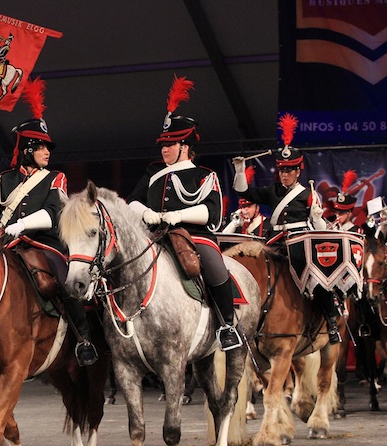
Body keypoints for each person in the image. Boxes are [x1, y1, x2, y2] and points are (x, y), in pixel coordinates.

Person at [0, 78, 97, 366]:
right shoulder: (4, 180)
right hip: (7, 247)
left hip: (43, 245)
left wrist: (21, 226)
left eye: (48, 148)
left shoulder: (54, 177)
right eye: (42, 147)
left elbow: (53, 213)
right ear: (26, 149)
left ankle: (83, 339)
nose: (48, 152)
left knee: (63, 278)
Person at [127, 76, 241, 351]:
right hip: (155, 235)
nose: (164, 149)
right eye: (162, 145)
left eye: (170, 144)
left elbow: (211, 213)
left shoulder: (204, 175)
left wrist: (178, 217)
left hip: (195, 236)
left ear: (185, 147)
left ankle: (227, 326)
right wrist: (146, 213)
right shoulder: (153, 172)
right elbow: (131, 200)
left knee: (215, 268)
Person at [232, 113, 342, 343]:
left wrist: (317, 215)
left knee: (316, 277)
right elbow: (244, 192)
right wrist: (240, 170)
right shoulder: (272, 190)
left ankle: (330, 321)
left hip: (300, 242)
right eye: (282, 170)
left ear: (298, 171)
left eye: (289, 170)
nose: (285, 174)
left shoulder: (308, 193)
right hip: (274, 242)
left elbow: (320, 228)